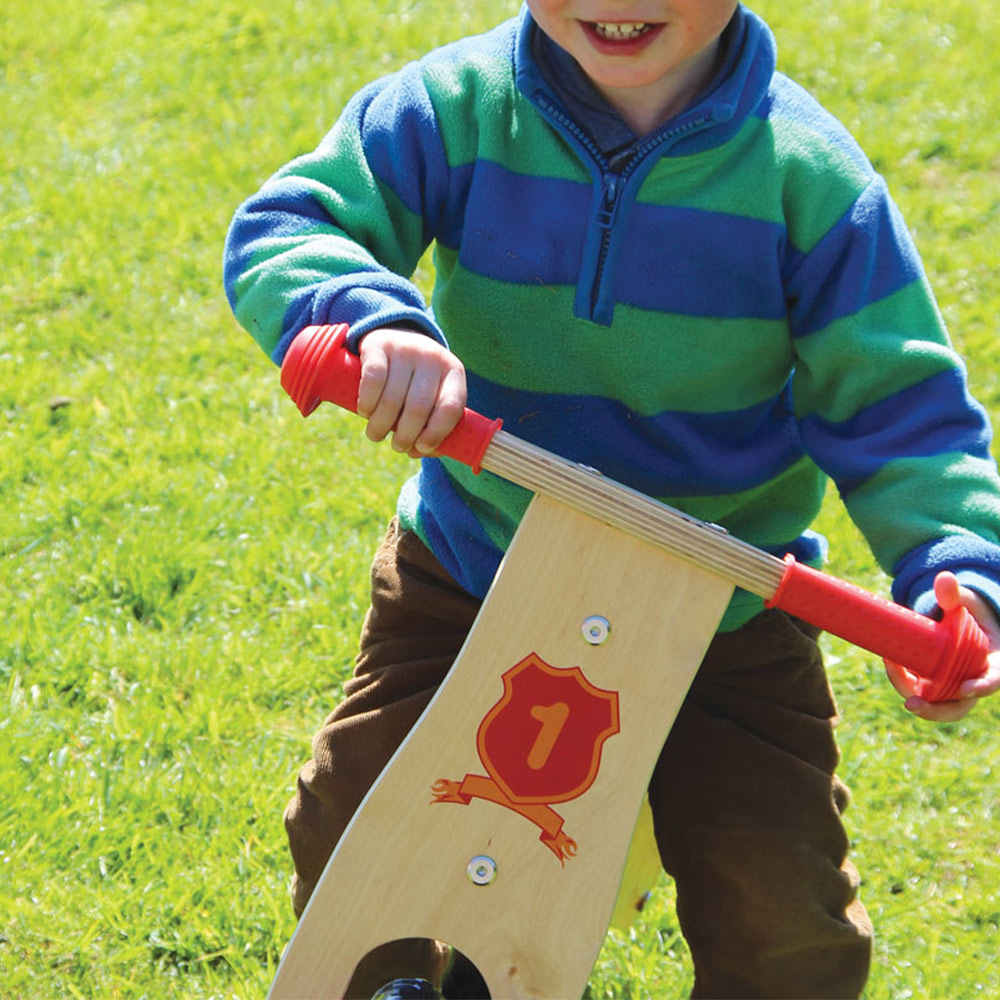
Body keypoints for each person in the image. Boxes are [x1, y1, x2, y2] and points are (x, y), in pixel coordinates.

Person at [224, 2, 1000, 996]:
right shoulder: (453, 110)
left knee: (778, 912)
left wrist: (955, 565)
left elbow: (901, 409)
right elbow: (288, 223)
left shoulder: (807, 177)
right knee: (352, 820)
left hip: (722, 613)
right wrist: (367, 320)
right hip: (475, 571)